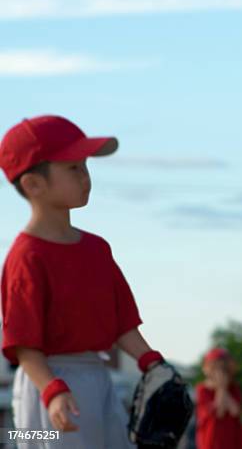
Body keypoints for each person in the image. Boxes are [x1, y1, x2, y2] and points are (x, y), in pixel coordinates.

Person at [0, 115, 167, 448]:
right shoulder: (26, 256)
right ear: (34, 184)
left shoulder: (96, 249)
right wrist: (51, 391)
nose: (85, 176)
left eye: (85, 166)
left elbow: (121, 323)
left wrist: (154, 364)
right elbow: (25, 346)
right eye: (73, 168)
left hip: (98, 377)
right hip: (48, 383)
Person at [195, 347, 242, 449]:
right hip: (212, 443)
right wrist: (221, 388)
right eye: (216, 368)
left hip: (236, 442)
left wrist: (224, 388)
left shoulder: (233, 388)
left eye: (224, 368)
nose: (221, 372)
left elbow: (235, 411)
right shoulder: (202, 390)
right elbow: (219, 412)